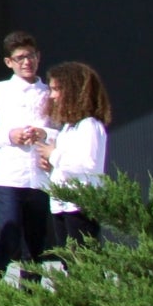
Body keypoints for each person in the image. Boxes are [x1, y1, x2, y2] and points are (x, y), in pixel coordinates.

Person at [0, 31, 52, 282]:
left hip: (39, 177)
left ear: (38, 57)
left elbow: (61, 130)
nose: (26, 62)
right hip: (9, 176)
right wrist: (10, 135)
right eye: (20, 58)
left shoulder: (49, 92)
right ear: (9, 62)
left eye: (30, 56)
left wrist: (44, 133)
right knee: (9, 232)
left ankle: (30, 301)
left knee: (35, 243)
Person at [39, 61, 110, 250]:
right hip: (63, 203)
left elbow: (88, 164)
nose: (52, 96)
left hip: (80, 205)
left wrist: (53, 155)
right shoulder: (67, 128)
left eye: (57, 89)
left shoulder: (89, 125)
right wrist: (51, 165)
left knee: (84, 261)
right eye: (51, 89)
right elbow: (67, 164)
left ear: (74, 91)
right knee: (69, 262)